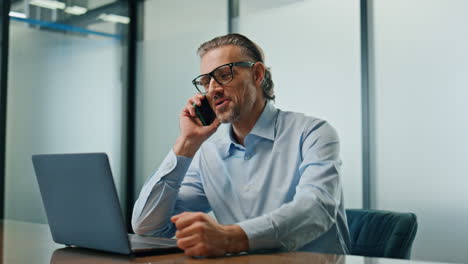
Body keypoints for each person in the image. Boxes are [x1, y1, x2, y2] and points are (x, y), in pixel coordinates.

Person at [132, 33, 351, 257]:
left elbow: (316, 209)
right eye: (206, 82)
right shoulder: (209, 153)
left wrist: (230, 238)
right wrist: (187, 143)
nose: (213, 89)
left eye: (224, 75)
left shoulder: (313, 133)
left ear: (257, 74)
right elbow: (148, 227)